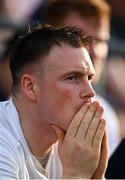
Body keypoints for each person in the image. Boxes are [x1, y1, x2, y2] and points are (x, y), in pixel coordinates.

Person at [0, 25, 108, 179]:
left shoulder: (75, 148)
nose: (90, 92)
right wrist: (76, 175)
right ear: (31, 87)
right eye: (72, 77)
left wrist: (96, 177)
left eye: (89, 78)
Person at [42, 0, 121, 157]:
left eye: (100, 41)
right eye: (78, 39)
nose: (94, 51)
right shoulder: (20, 114)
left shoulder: (106, 116)